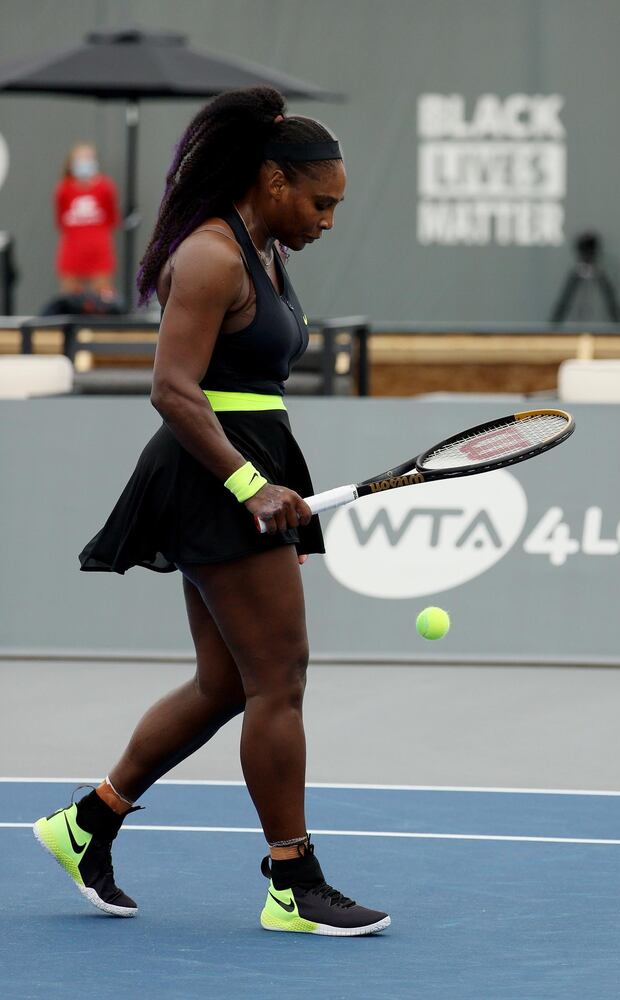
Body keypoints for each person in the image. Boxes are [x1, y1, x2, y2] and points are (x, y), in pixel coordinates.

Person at [33, 87, 390, 937]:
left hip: (248, 464)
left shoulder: (265, 254)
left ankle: (89, 822)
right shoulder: (211, 257)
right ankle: (291, 882)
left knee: (229, 680)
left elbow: (249, 388)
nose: (328, 220)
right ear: (272, 181)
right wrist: (248, 486)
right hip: (213, 476)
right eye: (320, 201)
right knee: (280, 680)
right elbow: (171, 389)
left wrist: (272, 481)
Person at [54, 142, 120, 298]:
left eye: (88, 158)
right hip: (72, 250)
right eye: (80, 158)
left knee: (102, 298)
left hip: (99, 250)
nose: (84, 162)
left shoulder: (105, 187)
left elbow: (112, 218)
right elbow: (60, 221)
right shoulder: (63, 189)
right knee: (70, 299)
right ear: (70, 164)